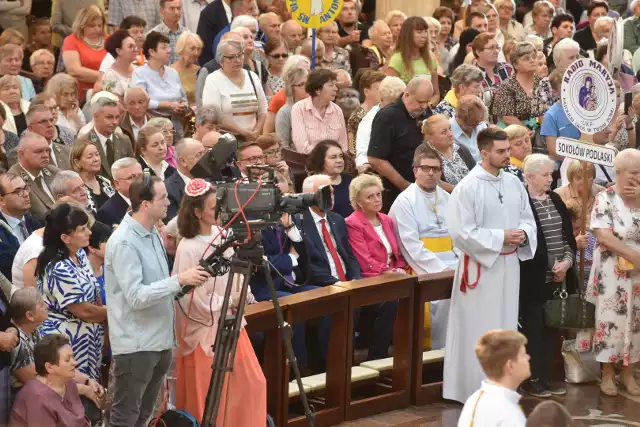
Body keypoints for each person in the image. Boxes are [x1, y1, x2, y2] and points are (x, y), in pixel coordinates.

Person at [105, 175, 211, 427]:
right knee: (125, 418)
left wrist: (186, 283)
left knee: (145, 417)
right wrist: (178, 280)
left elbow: (158, 286)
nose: (168, 202)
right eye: (162, 197)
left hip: (160, 340)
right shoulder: (123, 242)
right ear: (145, 204)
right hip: (137, 346)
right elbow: (136, 296)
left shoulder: (153, 232)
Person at [443, 126, 537, 404]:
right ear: (484, 153)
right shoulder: (467, 188)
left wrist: (523, 234)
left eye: (508, 150)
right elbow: (461, 233)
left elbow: (527, 218)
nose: (507, 155)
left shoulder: (514, 183)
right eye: (501, 151)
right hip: (481, 271)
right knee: (480, 328)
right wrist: (501, 237)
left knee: (506, 326)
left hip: (509, 268)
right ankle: (472, 389)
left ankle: (504, 387)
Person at [173, 179, 265, 423]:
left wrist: (241, 296)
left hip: (231, 319)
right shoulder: (188, 246)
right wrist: (226, 301)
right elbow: (189, 296)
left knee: (252, 384)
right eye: (214, 207)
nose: (220, 211)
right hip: (206, 330)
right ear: (197, 212)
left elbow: (235, 273)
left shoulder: (221, 234)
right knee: (211, 394)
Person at [293, 174, 396, 361]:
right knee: (347, 304)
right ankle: (334, 367)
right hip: (321, 285)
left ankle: (377, 361)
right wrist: (339, 283)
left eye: (331, 193)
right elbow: (307, 264)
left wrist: (355, 279)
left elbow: (349, 256)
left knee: (390, 301)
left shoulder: (337, 219)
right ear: (309, 196)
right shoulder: (299, 221)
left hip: (349, 282)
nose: (330, 198)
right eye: (324, 194)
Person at [388, 144, 457, 348]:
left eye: (435, 169)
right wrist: (441, 269)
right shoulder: (405, 201)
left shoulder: (447, 197)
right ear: (415, 170)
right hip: (423, 264)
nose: (430, 173)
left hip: (453, 261)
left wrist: (462, 262)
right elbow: (410, 244)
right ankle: (434, 356)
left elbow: (458, 234)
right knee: (440, 302)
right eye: (425, 168)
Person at [585, 149, 640, 397]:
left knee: (638, 321)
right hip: (613, 269)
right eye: (634, 173)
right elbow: (603, 235)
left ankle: (629, 373)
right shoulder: (605, 198)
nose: (638, 177)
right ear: (619, 172)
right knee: (611, 320)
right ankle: (607, 373)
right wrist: (634, 256)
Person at [519, 154, 574, 398]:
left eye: (551, 174)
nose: (550, 179)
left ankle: (547, 377)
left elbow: (566, 236)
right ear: (529, 176)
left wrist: (566, 263)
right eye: (545, 175)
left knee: (552, 327)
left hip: (559, 276)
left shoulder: (554, 199)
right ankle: (532, 379)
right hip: (533, 278)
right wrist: (549, 267)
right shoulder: (522, 202)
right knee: (533, 328)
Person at [35, 203, 106, 384]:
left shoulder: (80, 254)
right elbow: (83, 311)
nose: (89, 233)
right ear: (65, 237)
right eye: (82, 229)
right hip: (68, 343)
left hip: (90, 340)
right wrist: (116, 311)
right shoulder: (58, 266)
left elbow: (94, 294)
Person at [368, 76, 433, 211]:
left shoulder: (425, 112)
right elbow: (376, 159)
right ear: (407, 95)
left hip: (426, 185)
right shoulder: (387, 116)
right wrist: (405, 185)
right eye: (420, 101)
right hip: (398, 189)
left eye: (427, 102)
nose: (424, 106)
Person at [9, 335, 92, 427]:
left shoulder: (69, 383)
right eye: (67, 360)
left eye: (73, 357)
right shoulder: (37, 397)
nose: (74, 362)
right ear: (49, 367)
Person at [456, 330, 530, 427]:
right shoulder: (510, 416)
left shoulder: (474, 399)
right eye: (523, 354)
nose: (528, 357)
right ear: (510, 365)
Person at [202, 38, 266, 142]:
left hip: (254, 138)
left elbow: (263, 110)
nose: (237, 60)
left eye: (240, 55)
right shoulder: (213, 79)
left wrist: (256, 132)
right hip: (227, 140)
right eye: (231, 57)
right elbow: (214, 116)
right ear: (221, 60)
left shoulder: (252, 76)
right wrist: (243, 133)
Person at [345, 173, 407, 277]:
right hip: (372, 276)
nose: (377, 199)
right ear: (359, 202)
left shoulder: (387, 219)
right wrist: (390, 272)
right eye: (370, 197)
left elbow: (398, 254)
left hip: (393, 272)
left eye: (378, 194)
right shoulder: (352, 223)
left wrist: (399, 268)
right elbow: (365, 262)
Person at [132, 32, 189, 141]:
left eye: (168, 47)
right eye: (164, 47)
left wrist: (182, 107)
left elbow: (183, 99)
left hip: (176, 126)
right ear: (152, 51)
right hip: (153, 127)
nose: (169, 50)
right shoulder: (139, 73)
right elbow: (141, 103)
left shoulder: (173, 72)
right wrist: (169, 105)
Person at [491, 41, 553, 131]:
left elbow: (544, 113)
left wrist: (546, 132)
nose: (532, 60)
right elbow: (508, 118)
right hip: (510, 132)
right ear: (515, 64)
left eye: (534, 57)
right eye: (526, 59)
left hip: (536, 131)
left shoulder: (542, 83)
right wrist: (527, 132)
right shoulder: (506, 86)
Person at [290, 69, 347, 154]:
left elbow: (343, 145)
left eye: (335, 85)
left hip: (334, 162)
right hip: (309, 163)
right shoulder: (299, 108)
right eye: (331, 85)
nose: (336, 89)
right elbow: (302, 147)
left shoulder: (337, 110)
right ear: (318, 90)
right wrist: (327, 157)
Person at [387, 17, 439, 104]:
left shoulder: (431, 58)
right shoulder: (397, 59)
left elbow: (436, 94)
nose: (424, 35)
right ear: (408, 35)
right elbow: (390, 94)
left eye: (426, 31)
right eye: (419, 32)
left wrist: (428, 105)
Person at [62, 6, 108, 103]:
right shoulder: (71, 41)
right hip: (80, 96)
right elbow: (74, 71)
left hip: (108, 93)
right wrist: (106, 78)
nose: (97, 29)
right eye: (92, 26)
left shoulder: (110, 40)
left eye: (100, 25)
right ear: (82, 25)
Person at [0, 173, 41, 282]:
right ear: (1, 200)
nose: (26, 194)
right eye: (18, 191)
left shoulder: (35, 222)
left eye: (25, 188)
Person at [8, 133, 59, 218]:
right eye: (39, 151)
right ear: (21, 154)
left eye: (47, 150)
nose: (45, 155)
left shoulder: (54, 171)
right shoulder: (13, 181)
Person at [85, 97, 134, 180]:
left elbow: (132, 169)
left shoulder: (125, 141)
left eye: (117, 117)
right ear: (96, 116)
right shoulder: (85, 141)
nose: (115, 122)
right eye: (109, 117)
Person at [423, 115, 475, 192]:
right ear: (430, 138)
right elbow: (434, 186)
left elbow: (475, 173)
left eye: (450, 129)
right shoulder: (426, 158)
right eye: (444, 132)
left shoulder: (461, 149)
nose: (450, 134)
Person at [306, 140, 353, 218]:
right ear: (321, 160)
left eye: (341, 156)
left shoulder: (348, 178)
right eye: (333, 157)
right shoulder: (314, 185)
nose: (339, 160)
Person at [95, 157, 143, 227]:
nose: (139, 181)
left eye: (140, 175)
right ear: (117, 184)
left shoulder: (151, 198)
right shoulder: (107, 212)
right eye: (132, 177)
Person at [165, 138, 205, 221]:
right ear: (183, 161)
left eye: (204, 153)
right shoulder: (168, 189)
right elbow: (174, 223)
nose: (204, 159)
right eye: (199, 154)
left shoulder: (210, 180)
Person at [347, 70, 385, 158]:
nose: (383, 93)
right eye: (379, 90)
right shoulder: (356, 117)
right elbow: (352, 149)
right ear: (366, 91)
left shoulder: (386, 111)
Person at [71, 139, 116, 211]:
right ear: (77, 162)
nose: (96, 159)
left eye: (97, 154)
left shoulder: (105, 181)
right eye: (90, 156)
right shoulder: (76, 188)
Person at [275, 67, 308, 148]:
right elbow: (283, 145)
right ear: (291, 88)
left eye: (308, 83)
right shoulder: (285, 112)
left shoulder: (317, 107)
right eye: (301, 85)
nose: (307, 87)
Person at [101, 30, 138, 98]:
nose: (135, 49)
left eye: (135, 46)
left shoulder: (138, 69)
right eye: (130, 46)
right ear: (118, 51)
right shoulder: (110, 77)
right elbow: (114, 105)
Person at [170, 31, 203, 107]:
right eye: (192, 48)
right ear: (181, 49)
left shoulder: (201, 71)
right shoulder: (170, 71)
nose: (196, 53)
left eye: (198, 49)